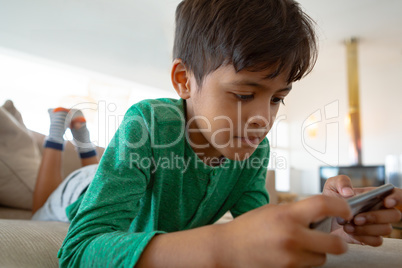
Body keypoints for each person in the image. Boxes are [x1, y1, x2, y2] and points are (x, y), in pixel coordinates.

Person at [52, 0, 402, 267]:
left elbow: (256, 226)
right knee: (63, 187)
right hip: (78, 192)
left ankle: (84, 144)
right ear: (184, 81)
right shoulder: (147, 123)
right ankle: (63, 134)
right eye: (243, 95)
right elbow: (79, 248)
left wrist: (323, 223)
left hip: (113, 177)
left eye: (277, 99)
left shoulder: (254, 150)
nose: (262, 120)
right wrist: (222, 245)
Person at [32, 108, 99, 222]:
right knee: (38, 217)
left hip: (100, 176)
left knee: (100, 179)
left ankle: (78, 136)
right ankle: (60, 133)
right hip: (85, 188)